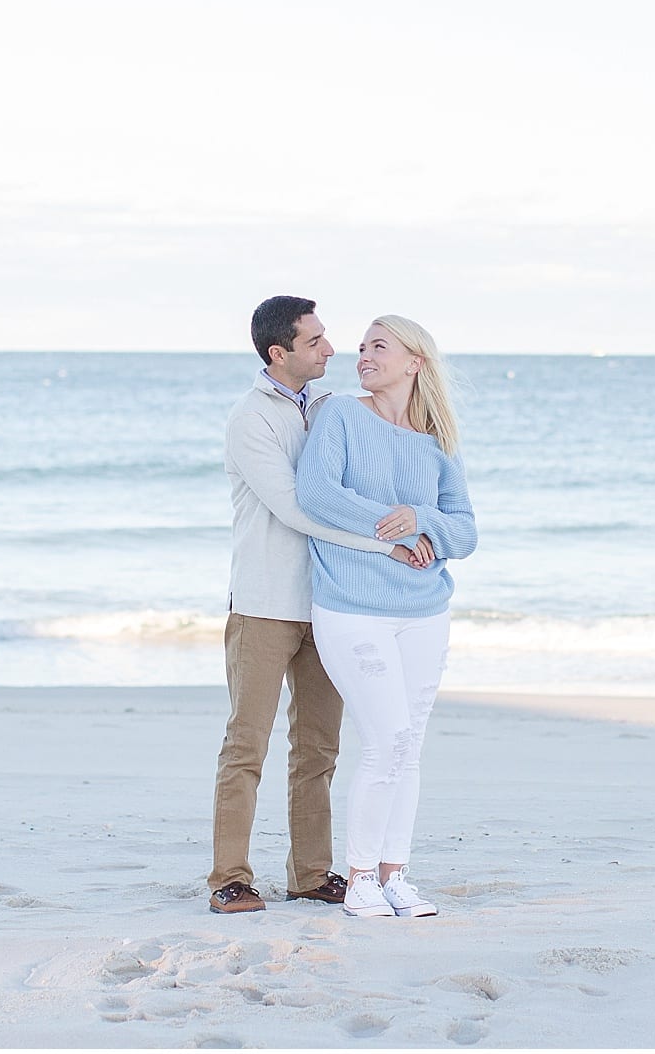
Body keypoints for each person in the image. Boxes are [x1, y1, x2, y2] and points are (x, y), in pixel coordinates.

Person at [209, 296, 432, 915]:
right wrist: (389, 546)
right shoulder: (251, 420)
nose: (331, 349)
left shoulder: (333, 410)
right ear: (279, 354)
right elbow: (301, 507)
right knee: (246, 745)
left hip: (332, 605)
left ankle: (311, 873)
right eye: (315, 342)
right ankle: (229, 876)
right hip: (264, 603)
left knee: (319, 749)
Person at [295, 315, 477, 919]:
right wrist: (390, 524)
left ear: (414, 361)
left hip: (425, 610)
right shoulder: (341, 415)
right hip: (352, 606)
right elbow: (316, 493)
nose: (363, 354)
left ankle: (397, 875)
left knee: (411, 743)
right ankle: (361, 878)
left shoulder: (436, 440)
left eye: (379, 346)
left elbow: (465, 531)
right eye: (364, 345)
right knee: (388, 739)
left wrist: (421, 519)